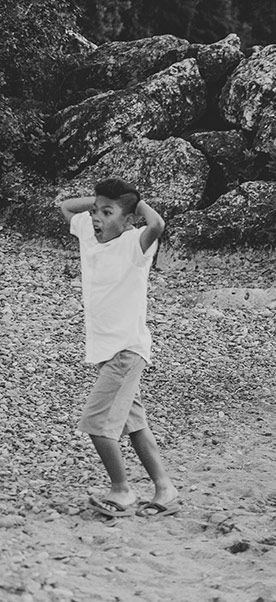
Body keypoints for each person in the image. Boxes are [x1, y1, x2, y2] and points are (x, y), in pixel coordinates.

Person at [59, 178, 180, 518]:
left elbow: (156, 224)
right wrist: (102, 201)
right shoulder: (87, 231)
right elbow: (66, 207)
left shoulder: (133, 244)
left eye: (107, 213)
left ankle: (122, 490)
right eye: (96, 212)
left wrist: (133, 202)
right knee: (134, 423)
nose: (96, 217)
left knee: (96, 422)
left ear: (127, 220)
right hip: (106, 350)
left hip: (127, 349)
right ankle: (165, 488)